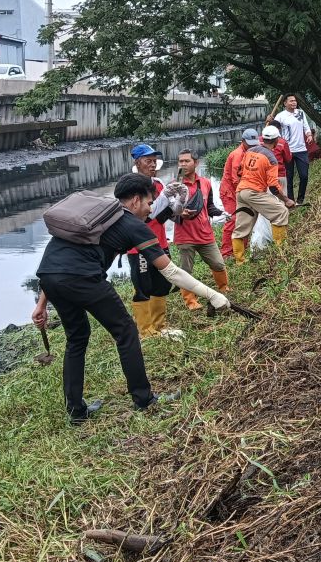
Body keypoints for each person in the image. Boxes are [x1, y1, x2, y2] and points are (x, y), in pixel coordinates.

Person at [33, 173, 230, 423]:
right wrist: (212, 295)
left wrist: (41, 304)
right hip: (82, 278)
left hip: (50, 277)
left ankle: (76, 411)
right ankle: (144, 399)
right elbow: (170, 271)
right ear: (136, 200)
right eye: (149, 203)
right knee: (125, 330)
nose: (150, 210)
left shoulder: (95, 214)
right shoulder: (131, 224)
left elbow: (57, 261)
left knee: (77, 337)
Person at [126, 143, 183, 337]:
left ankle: (160, 326)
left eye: (154, 161)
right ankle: (145, 330)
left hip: (159, 242)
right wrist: (165, 197)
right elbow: (147, 216)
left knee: (162, 284)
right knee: (143, 287)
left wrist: (180, 201)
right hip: (138, 246)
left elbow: (165, 215)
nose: (153, 165)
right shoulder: (132, 186)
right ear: (137, 162)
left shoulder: (158, 184)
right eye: (148, 161)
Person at [172, 149, 230, 309]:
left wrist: (222, 213)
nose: (183, 164)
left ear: (196, 163)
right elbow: (166, 212)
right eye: (180, 161)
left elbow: (209, 207)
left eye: (186, 161)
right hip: (185, 236)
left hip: (205, 234)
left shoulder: (205, 183)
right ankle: (191, 302)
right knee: (185, 271)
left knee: (218, 264)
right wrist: (180, 214)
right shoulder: (174, 186)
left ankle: (224, 289)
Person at [232, 126, 296, 261]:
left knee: (241, 228)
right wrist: (286, 200)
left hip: (241, 192)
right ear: (276, 140)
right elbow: (273, 186)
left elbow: (239, 171)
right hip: (254, 193)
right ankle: (281, 252)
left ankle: (240, 261)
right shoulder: (271, 158)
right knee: (281, 212)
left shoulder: (250, 150)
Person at [219, 129, 258, 260]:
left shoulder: (252, 152)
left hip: (243, 190)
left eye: (254, 144)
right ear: (242, 142)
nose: (253, 147)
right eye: (250, 144)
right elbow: (236, 179)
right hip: (230, 192)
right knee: (233, 220)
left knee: (246, 218)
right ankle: (225, 253)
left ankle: (241, 248)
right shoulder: (237, 155)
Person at [271, 94, 314, 203]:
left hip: (301, 149)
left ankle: (300, 200)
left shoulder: (300, 113)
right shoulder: (280, 116)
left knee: (304, 176)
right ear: (285, 103)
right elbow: (272, 129)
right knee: (289, 177)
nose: (294, 103)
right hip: (287, 150)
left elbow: (306, 126)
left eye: (295, 101)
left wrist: (309, 135)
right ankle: (290, 201)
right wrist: (269, 121)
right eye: (291, 101)